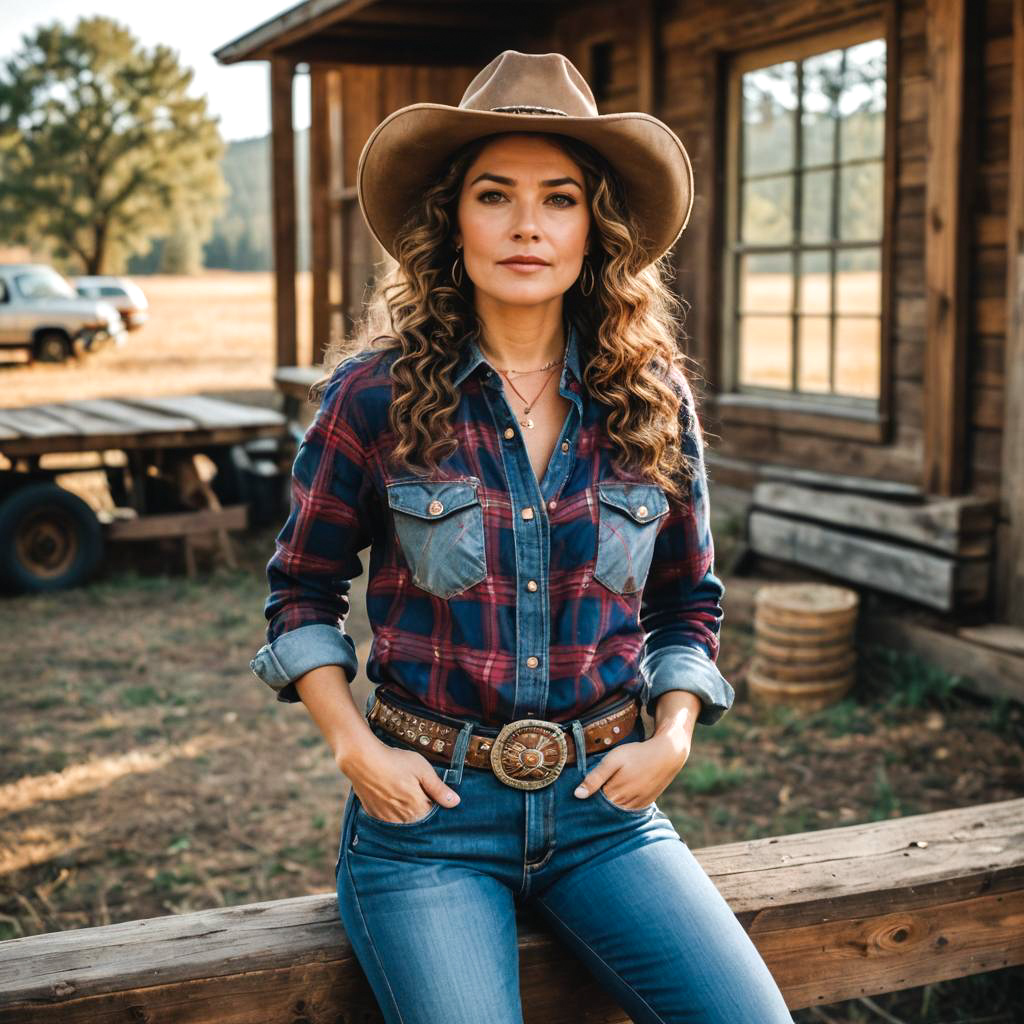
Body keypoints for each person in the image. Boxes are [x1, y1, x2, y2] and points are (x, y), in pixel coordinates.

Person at [251, 49, 794, 1024]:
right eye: (495, 196)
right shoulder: (372, 395)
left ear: (597, 227)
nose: (527, 225)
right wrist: (351, 747)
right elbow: (299, 590)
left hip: (604, 814)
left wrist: (671, 734)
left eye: (559, 199)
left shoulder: (650, 397)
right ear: (452, 223)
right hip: (429, 824)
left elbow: (685, 601)